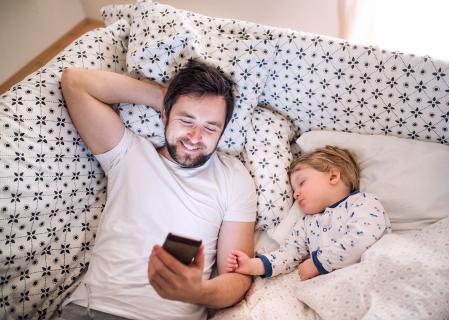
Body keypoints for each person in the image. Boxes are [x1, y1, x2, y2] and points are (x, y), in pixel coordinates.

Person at [58, 59, 257, 320]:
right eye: (186, 120)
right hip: (93, 311)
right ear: (165, 115)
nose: (196, 137)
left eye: (210, 127)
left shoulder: (233, 177)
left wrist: (197, 292)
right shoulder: (127, 153)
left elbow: (238, 278)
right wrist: (163, 95)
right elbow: (74, 82)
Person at [227, 146, 391, 281]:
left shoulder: (363, 202)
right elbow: (288, 255)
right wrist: (253, 265)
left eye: (302, 183)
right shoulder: (307, 223)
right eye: (293, 190)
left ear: (333, 176)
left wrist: (318, 263)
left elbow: (361, 240)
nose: (295, 194)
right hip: (337, 284)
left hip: (375, 272)